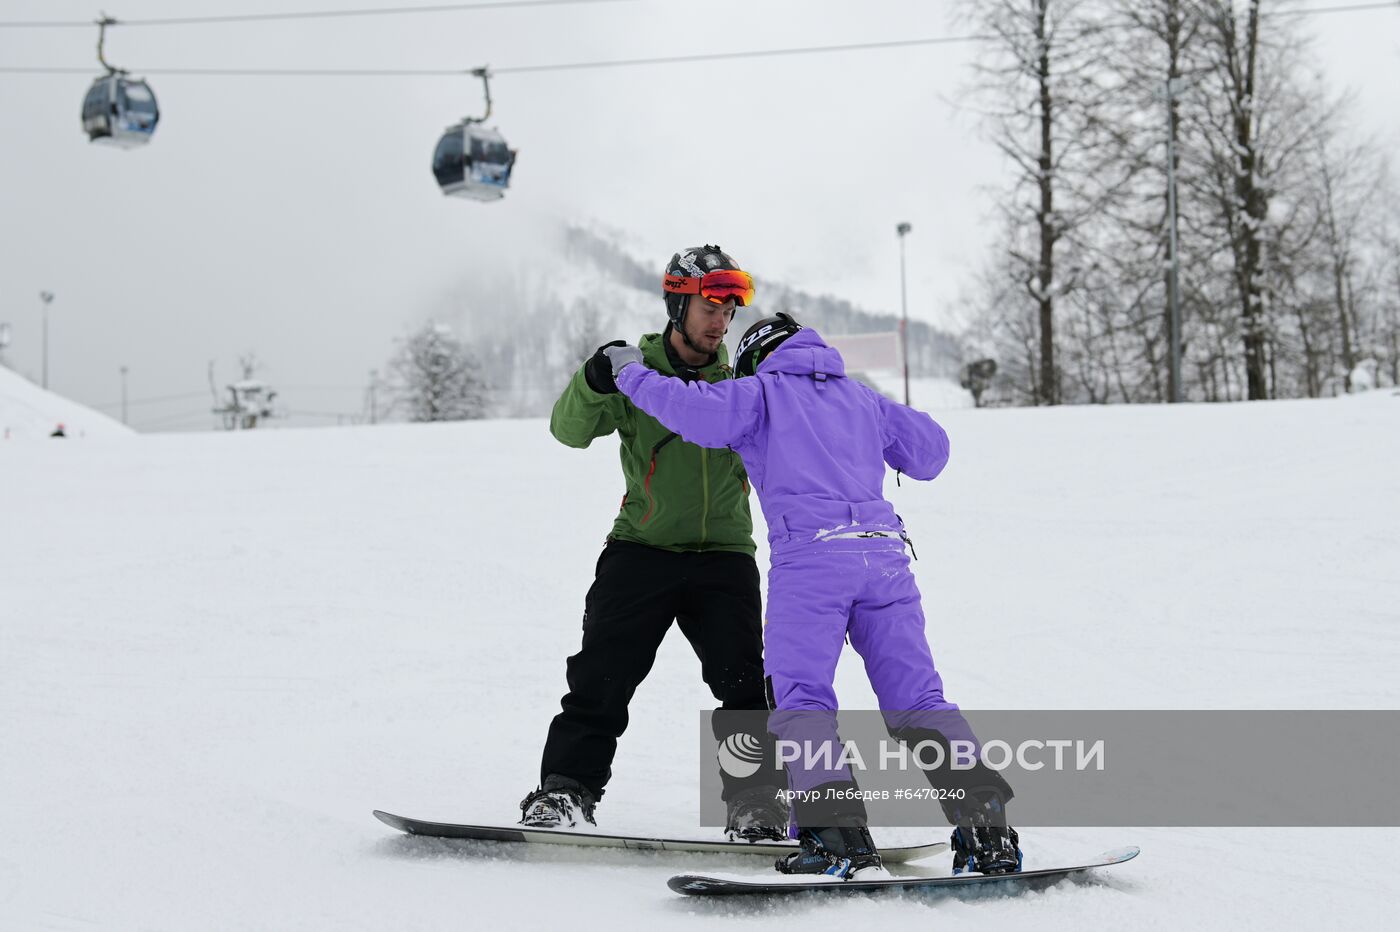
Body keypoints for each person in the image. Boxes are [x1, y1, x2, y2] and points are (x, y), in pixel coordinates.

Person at [600, 312, 1022, 878]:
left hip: (812, 562)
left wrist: (629, 372)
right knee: (918, 700)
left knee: (803, 702)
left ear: (759, 358)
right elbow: (932, 453)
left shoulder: (761, 394)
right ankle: (988, 830)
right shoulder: (862, 399)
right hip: (884, 560)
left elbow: (692, 413)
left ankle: (837, 837)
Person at [519, 246, 787, 841]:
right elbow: (568, 432)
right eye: (711, 305)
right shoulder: (634, 368)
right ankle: (565, 791)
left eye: (731, 308)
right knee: (601, 678)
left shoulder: (744, 376)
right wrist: (592, 381)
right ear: (677, 302)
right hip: (641, 548)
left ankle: (756, 806)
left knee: (744, 687)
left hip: (725, 555)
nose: (722, 320)